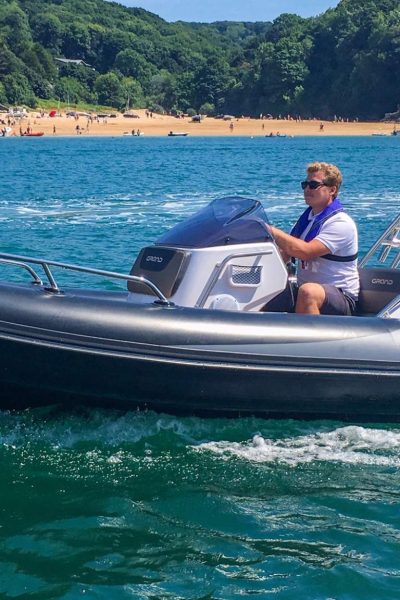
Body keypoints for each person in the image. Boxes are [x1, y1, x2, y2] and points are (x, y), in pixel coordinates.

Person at [268, 162, 359, 315]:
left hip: (341, 296)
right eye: (305, 184)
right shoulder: (307, 220)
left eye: (313, 185)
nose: (307, 189)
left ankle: (311, 338)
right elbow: (285, 253)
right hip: (304, 289)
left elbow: (305, 252)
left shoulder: (341, 222)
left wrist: (270, 230)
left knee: (308, 292)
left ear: (332, 190)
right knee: (266, 288)